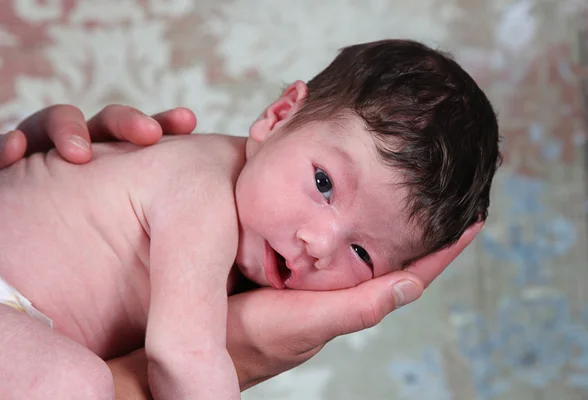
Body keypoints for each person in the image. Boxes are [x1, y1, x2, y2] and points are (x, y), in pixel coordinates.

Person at [0, 39, 497, 399]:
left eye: (363, 253)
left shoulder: (253, 234)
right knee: (75, 386)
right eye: (324, 184)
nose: (319, 244)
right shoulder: (204, 191)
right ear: (279, 116)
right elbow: (181, 357)